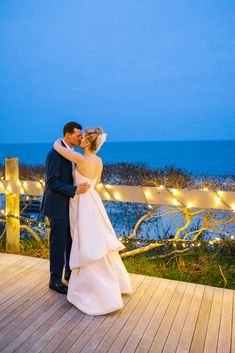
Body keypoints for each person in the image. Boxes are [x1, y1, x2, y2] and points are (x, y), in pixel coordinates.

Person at [53, 127, 132, 315]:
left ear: (87, 143)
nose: (80, 139)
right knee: (97, 241)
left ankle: (94, 288)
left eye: (83, 138)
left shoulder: (80, 159)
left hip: (81, 202)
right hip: (94, 200)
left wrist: (57, 141)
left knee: (85, 242)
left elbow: (58, 148)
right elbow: (96, 182)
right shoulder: (100, 161)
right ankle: (111, 281)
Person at [42, 122, 90, 294]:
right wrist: (74, 190)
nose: (81, 137)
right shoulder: (55, 153)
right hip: (56, 205)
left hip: (68, 205)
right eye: (78, 135)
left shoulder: (71, 153)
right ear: (67, 134)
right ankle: (54, 280)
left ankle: (69, 273)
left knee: (70, 240)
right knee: (58, 243)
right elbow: (52, 182)